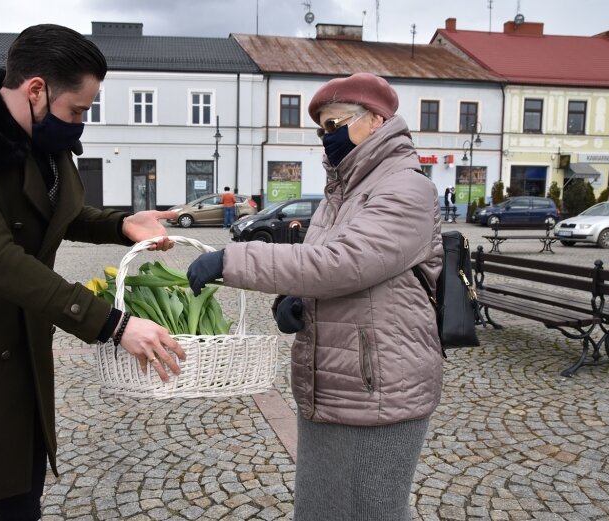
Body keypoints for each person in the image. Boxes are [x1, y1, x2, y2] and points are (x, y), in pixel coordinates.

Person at [0, 24, 186, 521]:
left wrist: (120, 223)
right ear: (36, 89)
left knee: (21, 504)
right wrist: (113, 324)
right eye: (78, 110)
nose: (80, 124)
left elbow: (56, 214)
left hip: (23, 355)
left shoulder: (45, 143)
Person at [188, 72, 443, 520]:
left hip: (381, 385)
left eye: (334, 125)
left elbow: (344, 263)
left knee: (372, 511)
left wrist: (235, 261)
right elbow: (325, 269)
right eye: (321, 129)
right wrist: (298, 299)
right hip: (330, 381)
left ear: (376, 120)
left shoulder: (405, 188)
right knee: (319, 509)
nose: (327, 138)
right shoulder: (340, 193)